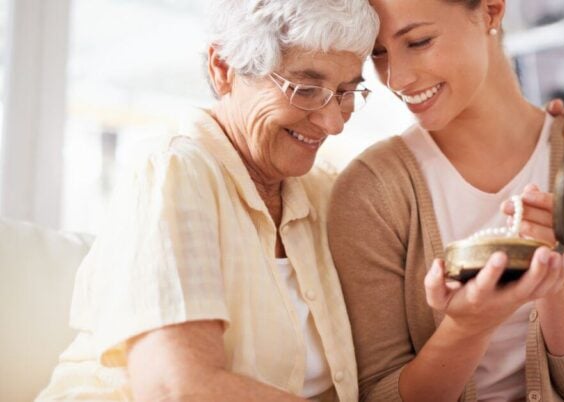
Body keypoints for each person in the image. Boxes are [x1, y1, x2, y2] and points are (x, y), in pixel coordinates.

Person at [37, 0, 380, 400]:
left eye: (345, 92)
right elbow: (176, 389)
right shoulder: (173, 173)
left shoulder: (324, 194)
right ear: (224, 69)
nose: (333, 123)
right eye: (305, 90)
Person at [327, 0, 564, 401]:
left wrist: (558, 280)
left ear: (492, 12)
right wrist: (466, 326)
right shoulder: (369, 192)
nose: (397, 78)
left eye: (419, 41)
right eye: (378, 52)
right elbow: (379, 395)